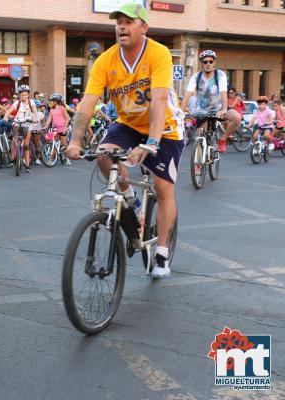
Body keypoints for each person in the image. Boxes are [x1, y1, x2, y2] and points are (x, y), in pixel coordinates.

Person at [66, 3, 184, 278]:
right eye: (118, 21)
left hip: (164, 127)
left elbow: (159, 99)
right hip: (129, 122)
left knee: (162, 186)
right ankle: (131, 200)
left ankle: (162, 254)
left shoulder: (158, 53)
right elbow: (87, 103)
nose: (121, 26)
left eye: (128, 21)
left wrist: (152, 142)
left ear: (143, 27)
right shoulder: (106, 59)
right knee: (103, 154)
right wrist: (75, 140)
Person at [181, 50, 240, 153]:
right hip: (201, 111)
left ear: (214, 63)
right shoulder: (196, 76)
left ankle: (222, 140)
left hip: (218, 109)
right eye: (205, 62)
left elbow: (223, 92)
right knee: (199, 139)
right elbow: (188, 94)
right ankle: (198, 166)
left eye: (210, 61)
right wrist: (181, 111)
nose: (208, 64)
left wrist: (224, 109)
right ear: (201, 64)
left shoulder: (220, 75)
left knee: (237, 117)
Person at [3, 84, 39, 172]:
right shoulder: (17, 103)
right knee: (15, 141)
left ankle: (27, 165)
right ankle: (16, 156)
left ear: (28, 95)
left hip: (27, 124)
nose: (24, 96)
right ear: (19, 95)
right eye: (22, 95)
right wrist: (6, 117)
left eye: (26, 95)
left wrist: (36, 118)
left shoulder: (31, 102)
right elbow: (9, 111)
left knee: (26, 145)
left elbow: (35, 111)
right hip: (17, 123)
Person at [45, 94, 71, 165]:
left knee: (64, 145)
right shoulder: (51, 109)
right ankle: (51, 159)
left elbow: (67, 118)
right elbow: (49, 119)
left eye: (51, 101)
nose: (50, 103)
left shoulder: (62, 108)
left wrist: (65, 128)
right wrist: (45, 126)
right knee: (54, 143)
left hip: (62, 128)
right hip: (55, 128)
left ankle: (67, 159)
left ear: (55, 102)